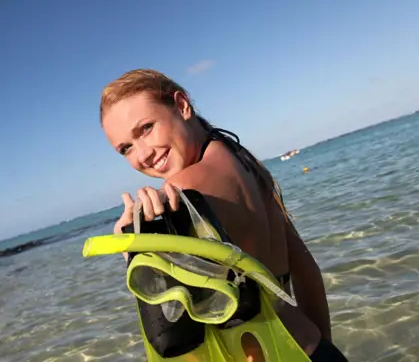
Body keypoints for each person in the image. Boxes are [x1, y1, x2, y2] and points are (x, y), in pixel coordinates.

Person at [99, 68, 347, 361]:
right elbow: (305, 269)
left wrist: (135, 247)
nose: (142, 155)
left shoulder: (180, 194)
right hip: (315, 347)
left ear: (181, 105)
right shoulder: (245, 162)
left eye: (146, 128)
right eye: (126, 148)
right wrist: (321, 348)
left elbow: (175, 336)